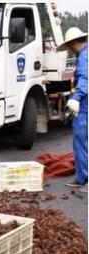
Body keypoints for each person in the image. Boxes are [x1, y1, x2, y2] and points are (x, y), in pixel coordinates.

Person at [59, 27, 87, 189]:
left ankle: (85, 177)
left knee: (82, 142)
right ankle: (83, 177)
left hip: (85, 107)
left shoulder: (84, 56)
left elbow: (85, 79)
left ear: (72, 43)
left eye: (68, 46)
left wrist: (76, 98)